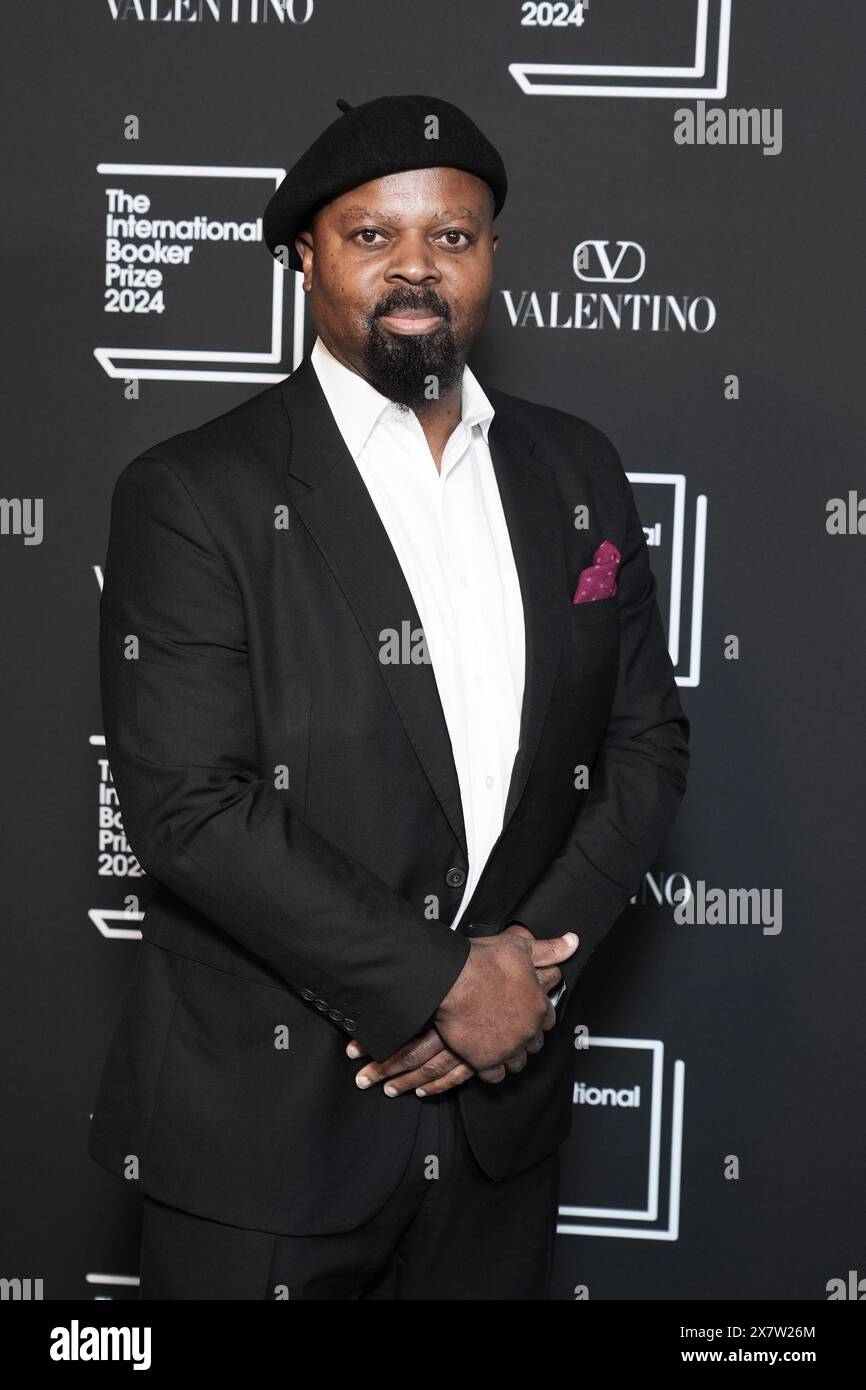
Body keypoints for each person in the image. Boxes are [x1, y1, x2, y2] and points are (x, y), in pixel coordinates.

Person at [89, 93, 690, 1300]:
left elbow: (642, 745)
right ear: (306, 256)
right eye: (373, 237)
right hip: (266, 1144)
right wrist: (438, 982)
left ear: (490, 261)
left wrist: (519, 974)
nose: (416, 269)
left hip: (497, 1138)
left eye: (452, 238)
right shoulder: (194, 491)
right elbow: (192, 808)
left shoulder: (574, 468)